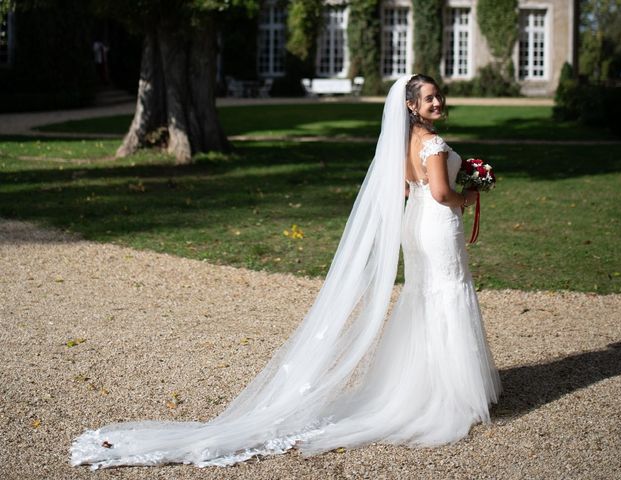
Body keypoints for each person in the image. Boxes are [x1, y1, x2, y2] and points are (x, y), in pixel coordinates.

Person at [70, 74, 501, 469]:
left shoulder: (403, 143)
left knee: (425, 296)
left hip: (415, 224)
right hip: (436, 224)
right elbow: (441, 193)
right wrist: (468, 195)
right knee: (447, 291)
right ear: (411, 106)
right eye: (429, 97)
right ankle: (450, 394)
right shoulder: (433, 144)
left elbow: (407, 188)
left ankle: (426, 385)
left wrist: (449, 190)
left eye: (438, 95)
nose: (437, 101)